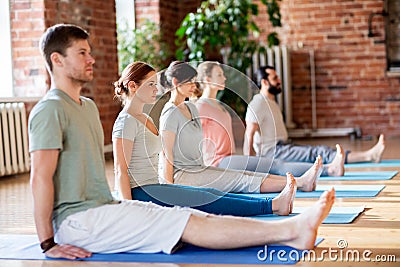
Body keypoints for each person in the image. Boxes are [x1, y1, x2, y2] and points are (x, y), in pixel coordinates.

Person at [29, 24, 335, 260]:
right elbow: (40, 178)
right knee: (188, 221)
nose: (91, 58)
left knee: (193, 214)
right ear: (56, 59)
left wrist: (124, 206)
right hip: (79, 221)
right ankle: (292, 228)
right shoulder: (50, 109)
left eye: (89, 51)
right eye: (82, 52)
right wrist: (48, 243)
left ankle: (288, 225)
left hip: (104, 207)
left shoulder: (88, 107)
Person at [112, 61, 296, 216]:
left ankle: (273, 202)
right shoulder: (126, 122)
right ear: (132, 86)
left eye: (155, 83)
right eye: (150, 84)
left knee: (210, 192)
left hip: (156, 186)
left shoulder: (145, 118)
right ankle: (272, 206)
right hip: (142, 192)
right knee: (206, 199)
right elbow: (120, 170)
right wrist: (130, 212)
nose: (156, 89)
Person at [159, 61, 322, 194]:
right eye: (219, 75)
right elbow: (172, 150)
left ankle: (300, 182)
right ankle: (306, 179)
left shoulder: (198, 107)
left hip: (216, 162)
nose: (224, 78)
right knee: (255, 174)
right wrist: (170, 189)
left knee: (252, 174)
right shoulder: (189, 109)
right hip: (209, 165)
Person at [194, 61, 344, 177]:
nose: (224, 78)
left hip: (230, 159)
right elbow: (188, 139)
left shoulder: (219, 105)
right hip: (218, 163)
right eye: (219, 75)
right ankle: (329, 170)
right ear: (208, 79)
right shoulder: (200, 107)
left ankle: (307, 180)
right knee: (276, 166)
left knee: (272, 171)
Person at [243, 65, 385, 168]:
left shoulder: (270, 102)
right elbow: (249, 134)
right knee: (317, 153)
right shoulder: (258, 103)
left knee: (315, 152)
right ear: (264, 82)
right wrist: (249, 166)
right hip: (273, 152)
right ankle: (369, 155)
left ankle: (366, 156)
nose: (279, 80)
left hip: (282, 147)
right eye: (275, 78)